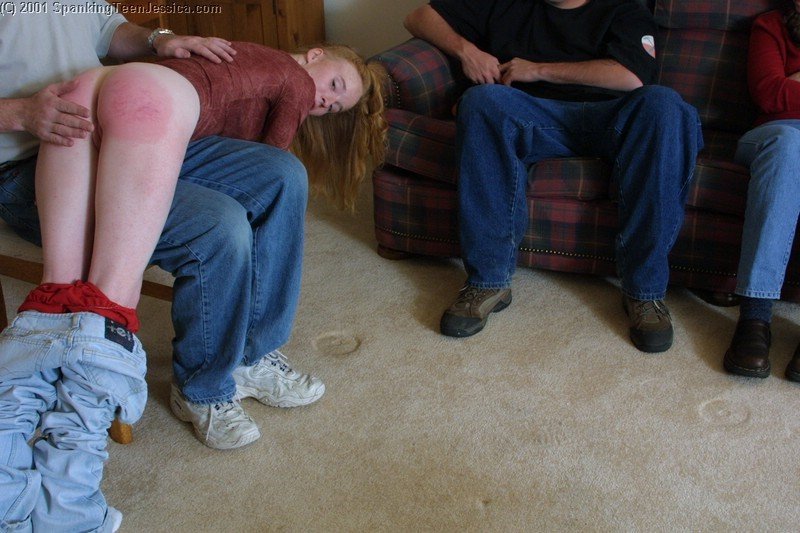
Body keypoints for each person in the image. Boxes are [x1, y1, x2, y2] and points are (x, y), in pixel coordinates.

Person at [0, 4, 385, 532]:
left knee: (282, 175)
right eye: (335, 88)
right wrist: (19, 113)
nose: (326, 103)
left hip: (115, 111)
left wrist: (160, 39)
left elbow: (108, 30)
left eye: (336, 105)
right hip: (26, 154)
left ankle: (248, 354)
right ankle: (200, 389)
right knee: (215, 228)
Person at [404, 0, 703, 352]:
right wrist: (466, 51)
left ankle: (644, 293)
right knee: (481, 101)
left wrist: (539, 70)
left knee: (665, 105)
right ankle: (488, 281)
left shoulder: (625, 8)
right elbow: (418, 17)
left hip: (612, 116)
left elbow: (631, 76)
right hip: (535, 116)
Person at [722, 0, 800, 381]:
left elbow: (785, 88)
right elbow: (769, 93)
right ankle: (755, 317)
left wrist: (794, 80)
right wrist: (784, 85)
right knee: (790, 145)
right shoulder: (770, 26)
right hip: (774, 135)